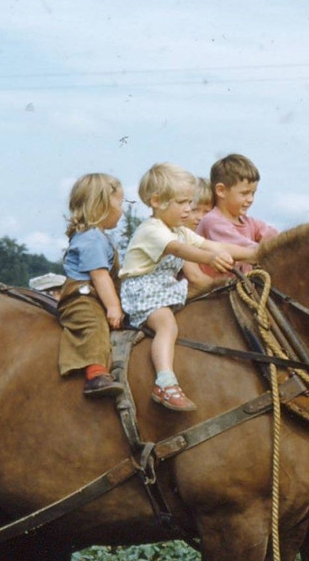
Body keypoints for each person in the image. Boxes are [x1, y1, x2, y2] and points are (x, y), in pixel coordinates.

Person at [119, 163, 239, 412]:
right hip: (144, 291)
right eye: (182, 203)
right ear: (156, 201)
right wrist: (208, 259)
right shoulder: (153, 230)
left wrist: (254, 252)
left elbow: (212, 245)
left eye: (190, 202)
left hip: (164, 288)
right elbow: (179, 249)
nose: (188, 209)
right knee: (167, 324)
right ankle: (164, 382)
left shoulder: (179, 230)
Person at [58, 172, 124, 398]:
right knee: (93, 324)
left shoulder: (99, 236)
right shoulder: (92, 238)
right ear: (101, 205)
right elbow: (99, 276)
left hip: (96, 295)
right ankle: (95, 373)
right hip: (82, 298)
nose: (122, 209)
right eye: (120, 202)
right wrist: (114, 307)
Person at [196, 153, 280, 276]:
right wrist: (272, 249)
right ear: (221, 191)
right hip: (215, 291)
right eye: (244, 193)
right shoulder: (213, 221)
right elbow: (244, 248)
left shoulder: (250, 222)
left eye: (253, 193)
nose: (250, 199)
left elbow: (274, 237)